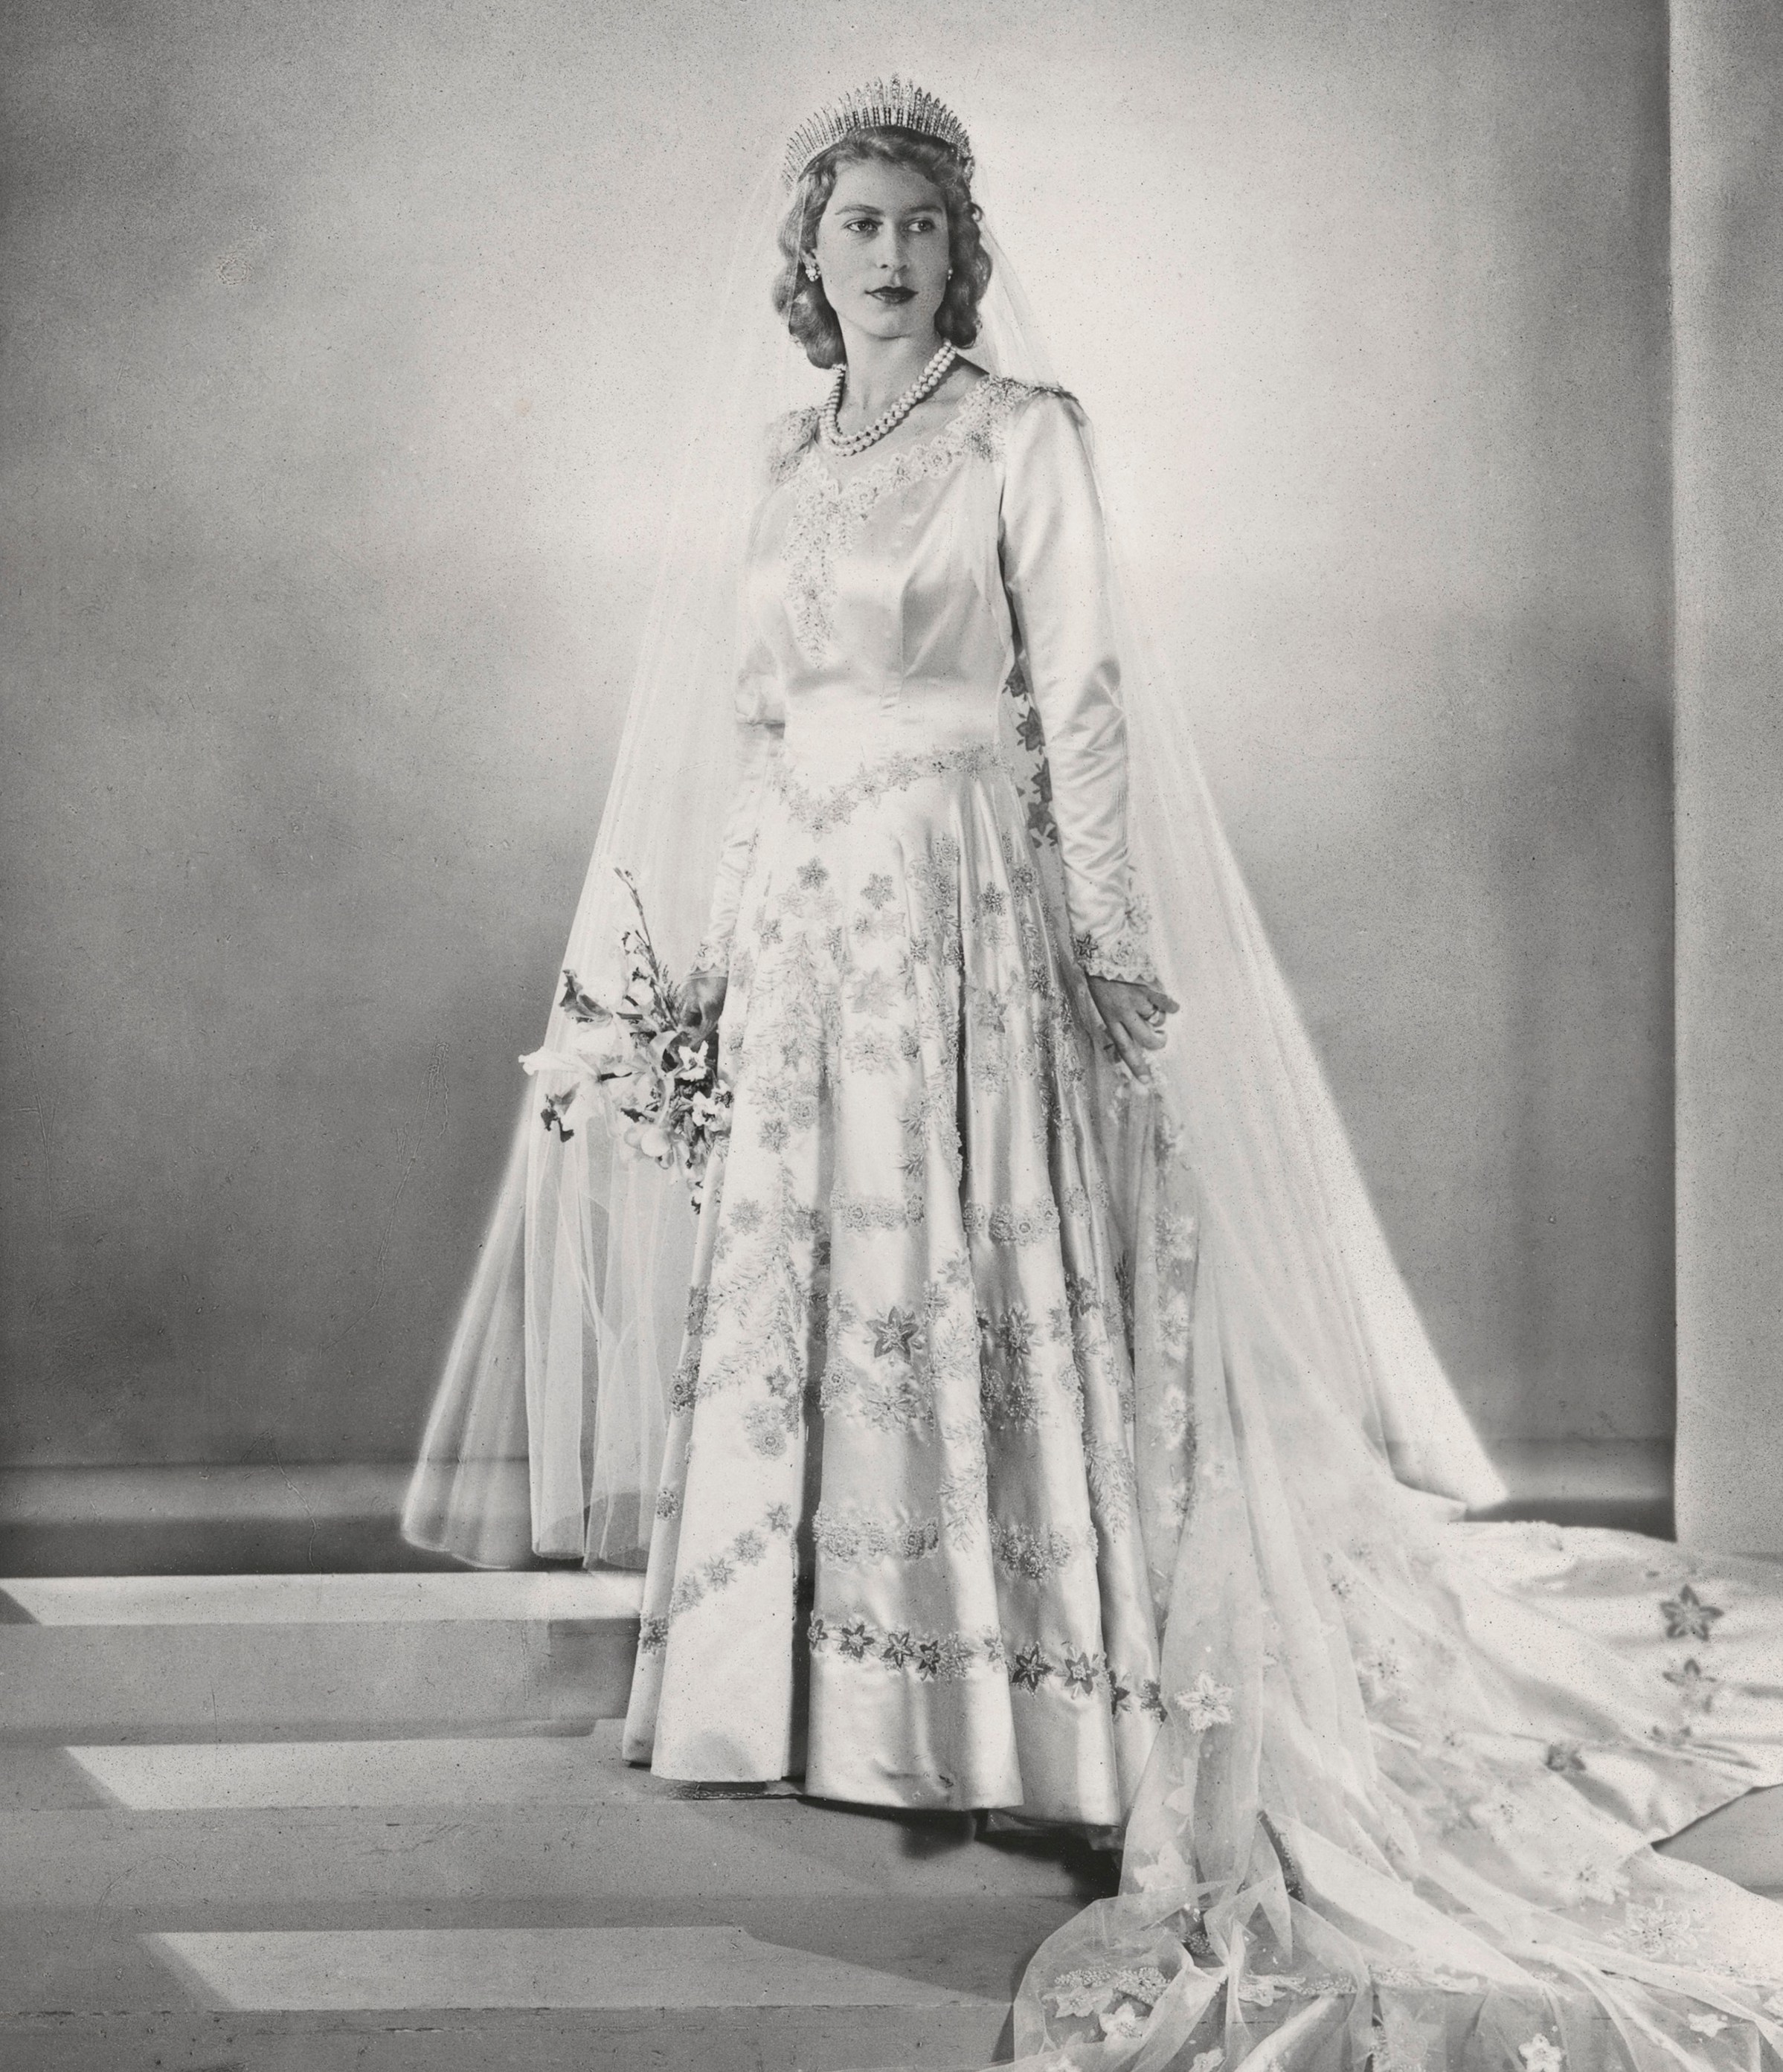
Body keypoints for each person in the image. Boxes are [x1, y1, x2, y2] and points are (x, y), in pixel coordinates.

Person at [408, 80, 1783, 2070]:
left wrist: (1113, 946)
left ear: (962, 255)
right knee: (823, 1304)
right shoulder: (786, 467)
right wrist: (704, 953)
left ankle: (998, 1697)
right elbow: (756, 721)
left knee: (969, 1287)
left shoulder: (1018, 440)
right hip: (809, 932)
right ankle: (796, 1691)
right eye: (857, 223)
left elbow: (1094, 703)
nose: (889, 255)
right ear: (806, 257)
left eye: (919, 227)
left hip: (971, 914)